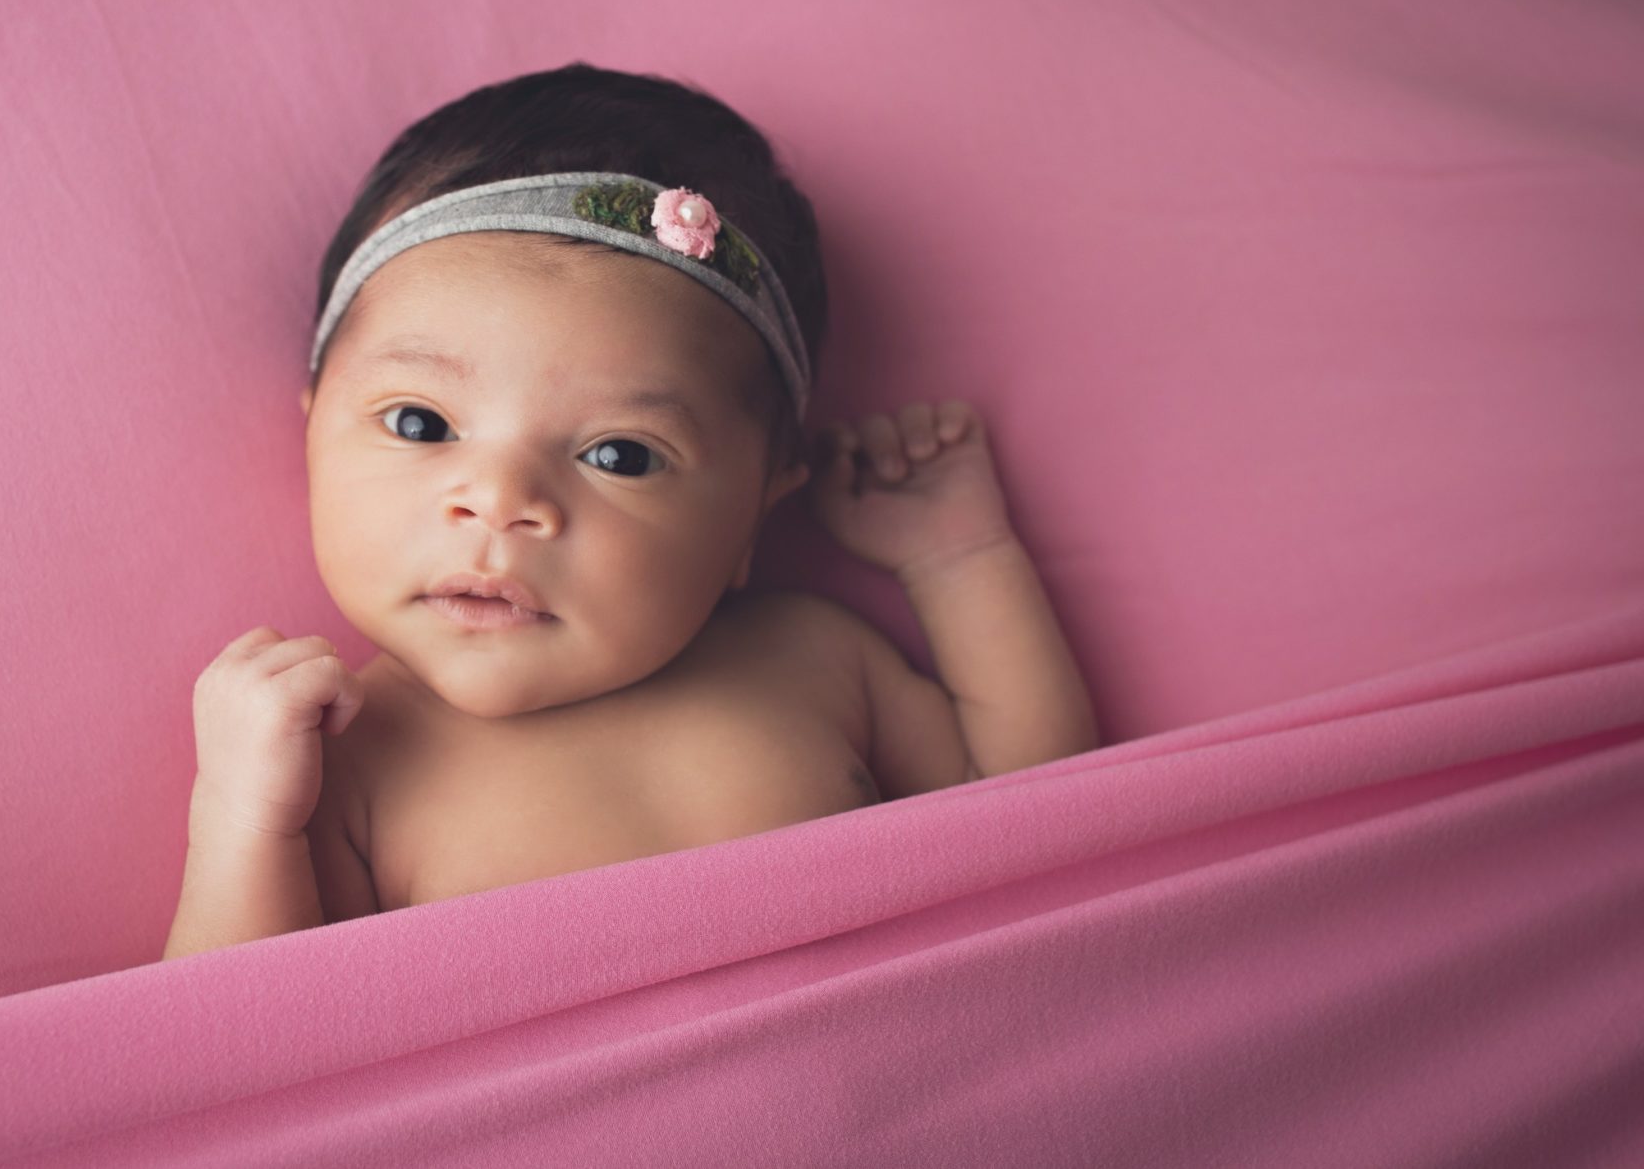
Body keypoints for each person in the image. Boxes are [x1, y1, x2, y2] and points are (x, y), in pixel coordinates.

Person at [162, 62, 1096, 958]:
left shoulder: (814, 659)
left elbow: (1052, 836)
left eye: (620, 454)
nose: (500, 501)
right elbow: (239, 1060)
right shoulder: (346, 759)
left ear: (751, 518)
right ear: (314, 430)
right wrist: (241, 818)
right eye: (420, 421)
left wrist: (961, 561)